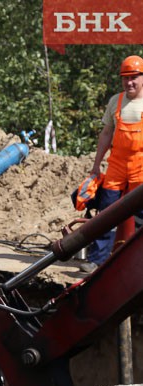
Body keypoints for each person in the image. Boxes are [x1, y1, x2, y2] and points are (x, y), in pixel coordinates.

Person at [83, 55, 143, 272]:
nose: (130, 82)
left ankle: (136, 265)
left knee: (141, 215)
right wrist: (96, 164)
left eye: (134, 77)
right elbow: (106, 133)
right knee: (107, 211)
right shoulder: (115, 102)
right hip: (116, 165)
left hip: (141, 166)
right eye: (126, 78)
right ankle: (96, 261)